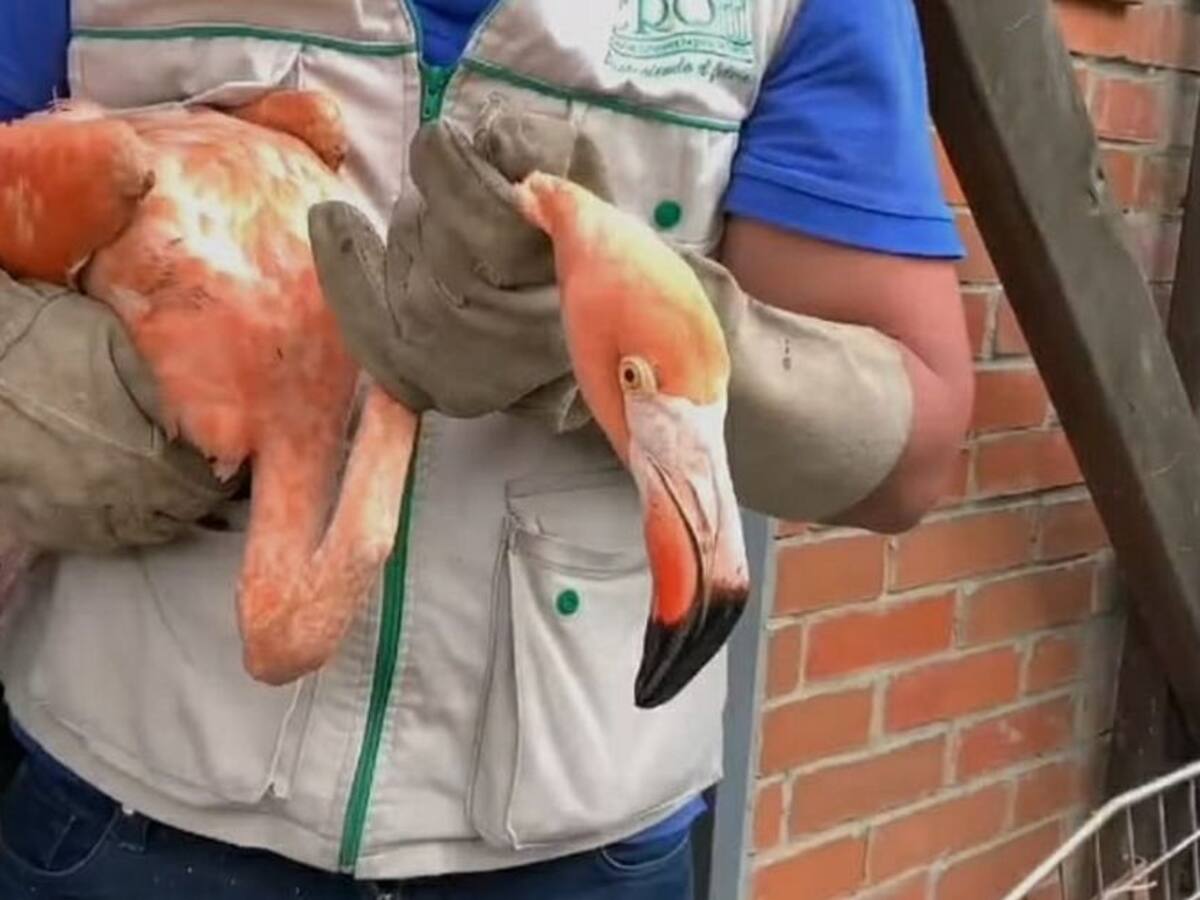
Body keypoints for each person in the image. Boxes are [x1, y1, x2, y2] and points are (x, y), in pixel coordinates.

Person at [0, 0, 975, 897]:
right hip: (121, 807)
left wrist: (630, 350)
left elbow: (915, 448)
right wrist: (23, 368)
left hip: (574, 847)